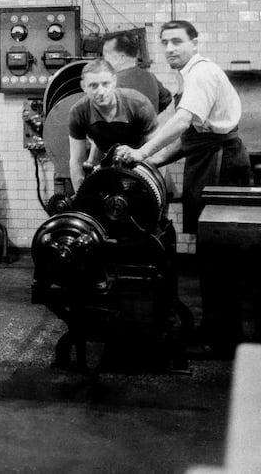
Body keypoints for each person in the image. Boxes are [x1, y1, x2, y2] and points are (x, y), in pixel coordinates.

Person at [114, 20, 251, 357]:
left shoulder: (200, 73)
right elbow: (189, 139)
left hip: (219, 163)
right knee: (211, 253)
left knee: (219, 254)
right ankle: (217, 330)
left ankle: (223, 340)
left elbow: (182, 123)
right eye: (164, 43)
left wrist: (141, 152)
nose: (170, 49)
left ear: (194, 43)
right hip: (207, 157)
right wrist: (149, 164)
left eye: (177, 41)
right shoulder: (189, 75)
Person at [68, 58, 158, 192]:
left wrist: (155, 190)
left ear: (114, 81)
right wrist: (81, 197)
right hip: (106, 165)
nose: (101, 91)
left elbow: (156, 150)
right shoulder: (78, 112)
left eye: (106, 84)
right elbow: (76, 161)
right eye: (93, 85)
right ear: (83, 86)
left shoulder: (138, 103)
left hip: (143, 163)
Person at [101, 30, 173, 113]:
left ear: (119, 58)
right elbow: (166, 99)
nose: (103, 60)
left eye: (105, 56)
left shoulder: (113, 83)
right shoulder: (151, 77)